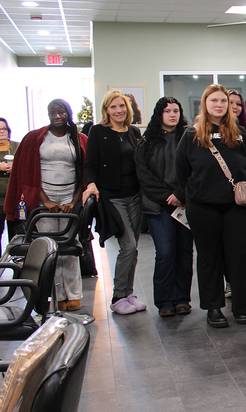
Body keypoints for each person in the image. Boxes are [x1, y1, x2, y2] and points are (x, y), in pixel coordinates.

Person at [175, 85, 246, 328]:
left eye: (223, 101)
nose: (219, 105)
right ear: (205, 103)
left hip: (237, 207)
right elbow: (182, 171)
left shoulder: (241, 135)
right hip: (202, 207)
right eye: (214, 100)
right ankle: (213, 308)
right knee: (209, 257)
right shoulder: (191, 135)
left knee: (239, 257)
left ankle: (241, 307)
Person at [4, 100, 87, 311]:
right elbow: (27, 172)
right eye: (52, 112)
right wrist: (46, 200)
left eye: (61, 112)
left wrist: (73, 201)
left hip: (70, 197)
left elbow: (84, 172)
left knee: (70, 244)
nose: (57, 116)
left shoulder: (79, 138)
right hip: (44, 199)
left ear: (68, 113)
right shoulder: (35, 138)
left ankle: (73, 294)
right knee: (50, 247)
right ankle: (55, 295)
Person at [82, 89, 147, 315]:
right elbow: (90, 164)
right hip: (112, 197)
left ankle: (128, 293)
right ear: (106, 110)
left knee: (133, 248)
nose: (118, 110)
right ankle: (118, 297)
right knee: (127, 246)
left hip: (134, 196)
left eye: (121, 106)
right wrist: (91, 184)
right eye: (113, 107)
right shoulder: (98, 131)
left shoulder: (134, 132)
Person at [135, 97, 193, 317]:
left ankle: (182, 299)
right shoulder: (147, 141)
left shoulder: (189, 137)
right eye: (167, 111)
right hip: (157, 206)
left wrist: (180, 194)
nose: (172, 114)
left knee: (185, 252)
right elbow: (144, 175)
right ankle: (165, 300)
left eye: (176, 110)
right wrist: (167, 196)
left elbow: (195, 169)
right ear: (159, 114)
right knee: (166, 252)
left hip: (184, 204)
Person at [0, 118, 19, 243]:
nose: (2, 131)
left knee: (16, 233)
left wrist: (15, 166)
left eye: (4, 129)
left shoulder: (17, 146)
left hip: (14, 198)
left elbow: (28, 165)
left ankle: (15, 255)